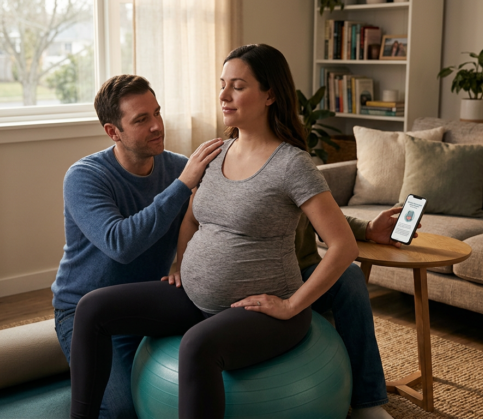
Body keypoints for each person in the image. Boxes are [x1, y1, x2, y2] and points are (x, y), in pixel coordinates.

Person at [68, 44, 407, 419]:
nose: (223, 95)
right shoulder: (212, 154)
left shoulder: (291, 164)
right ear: (113, 131)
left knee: (196, 347)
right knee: (92, 308)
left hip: (266, 309)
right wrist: (183, 262)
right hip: (196, 297)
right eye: (222, 84)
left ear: (270, 94)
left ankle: (368, 400)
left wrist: (292, 305)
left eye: (238, 86)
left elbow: (342, 245)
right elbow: (192, 218)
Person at [50, 74, 224, 418]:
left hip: (150, 300)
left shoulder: (176, 166)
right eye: (141, 120)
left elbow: (216, 220)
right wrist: (182, 184)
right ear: (113, 131)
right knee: (123, 410)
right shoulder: (85, 176)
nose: (157, 126)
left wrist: (182, 262)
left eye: (157, 113)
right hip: (86, 313)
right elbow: (121, 243)